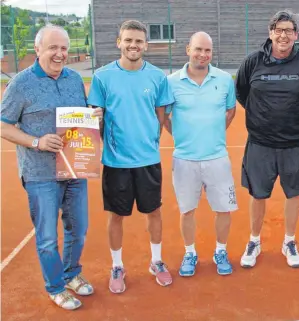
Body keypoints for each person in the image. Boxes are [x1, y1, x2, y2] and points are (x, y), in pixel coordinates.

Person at [1, 24, 93, 310]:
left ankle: (71, 274)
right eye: (53, 47)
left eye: (64, 48)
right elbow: (3, 124)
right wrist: (36, 142)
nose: (59, 54)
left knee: (78, 229)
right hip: (40, 175)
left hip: (75, 169)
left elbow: (82, 117)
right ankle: (56, 287)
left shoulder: (75, 79)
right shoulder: (21, 84)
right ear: (37, 50)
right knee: (48, 238)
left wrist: (94, 116)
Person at [87, 20, 174, 294]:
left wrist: (149, 141)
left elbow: (161, 115)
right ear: (119, 42)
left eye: (138, 41)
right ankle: (117, 265)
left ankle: (157, 261)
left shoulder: (158, 77)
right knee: (116, 216)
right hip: (115, 163)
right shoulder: (102, 77)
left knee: (154, 212)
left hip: (148, 160)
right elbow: (95, 119)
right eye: (128, 40)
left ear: (145, 45)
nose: (133, 45)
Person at [236, 10, 299, 268]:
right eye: (278, 30)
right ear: (270, 32)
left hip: (294, 143)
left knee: (293, 194)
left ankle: (289, 241)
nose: (283, 35)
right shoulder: (252, 62)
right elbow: (242, 93)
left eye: (289, 31)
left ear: (296, 35)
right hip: (260, 143)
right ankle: (254, 240)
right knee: (257, 194)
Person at [164, 31, 238, 277]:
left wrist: (214, 134)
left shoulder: (225, 79)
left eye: (207, 50)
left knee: (223, 209)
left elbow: (230, 111)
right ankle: (190, 252)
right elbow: (164, 116)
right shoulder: (172, 82)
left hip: (217, 157)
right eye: (198, 49)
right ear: (188, 50)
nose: (202, 55)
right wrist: (181, 137)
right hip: (184, 159)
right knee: (187, 210)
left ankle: (220, 250)